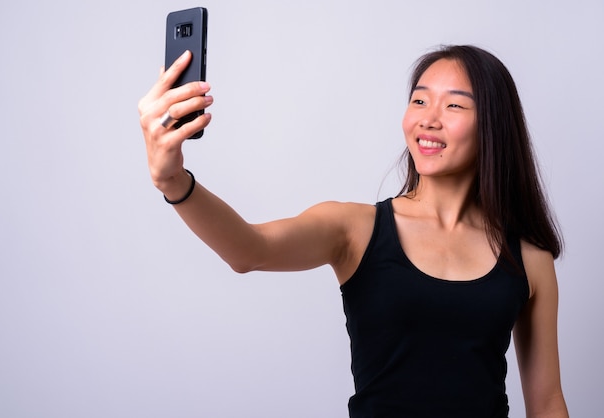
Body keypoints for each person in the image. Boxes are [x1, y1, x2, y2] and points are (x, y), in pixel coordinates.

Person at [138, 45, 569, 417]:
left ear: (492, 125)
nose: (428, 120)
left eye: (454, 105)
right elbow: (249, 250)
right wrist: (173, 181)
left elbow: (547, 404)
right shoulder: (354, 229)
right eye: (419, 101)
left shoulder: (529, 259)